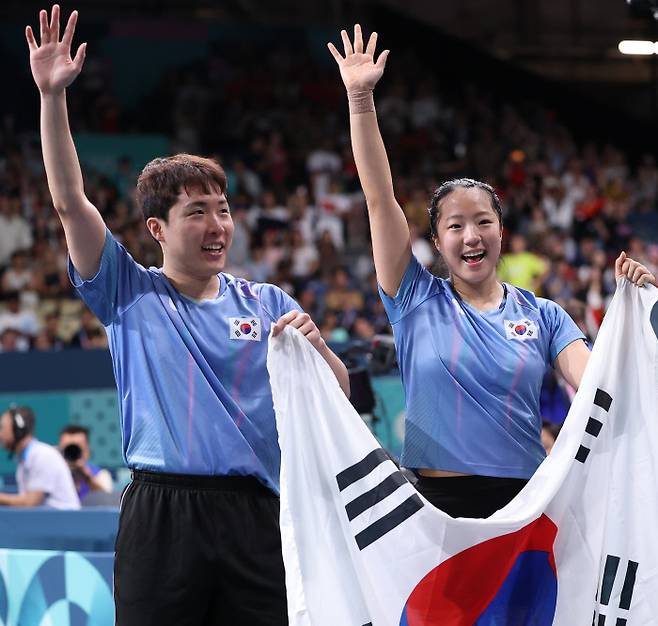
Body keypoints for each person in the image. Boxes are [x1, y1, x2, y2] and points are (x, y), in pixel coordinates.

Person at [26, 7, 349, 625]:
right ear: (158, 228)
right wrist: (52, 97)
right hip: (161, 514)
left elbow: (336, 393)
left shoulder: (270, 304)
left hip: (257, 512)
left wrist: (323, 350)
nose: (217, 226)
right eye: (197, 212)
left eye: (223, 210)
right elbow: (70, 203)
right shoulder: (127, 292)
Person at [328, 25, 656, 518]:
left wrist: (641, 315)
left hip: (524, 507)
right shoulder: (414, 297)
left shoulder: (545, 316)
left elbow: (599, 387)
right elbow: (379, 200)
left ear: (501, 232)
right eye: (455, 226)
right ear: (437, 241)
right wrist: (360, 100)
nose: (471, 236)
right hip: (436, 509)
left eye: (484, 222)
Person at [0, 405, 80, 509]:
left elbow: (30, 503)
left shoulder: (42, 456)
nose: (0, 434)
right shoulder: (25, 459)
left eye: (2, 427)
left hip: (67, 523)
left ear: (18, 430)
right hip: (49, 522)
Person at [59, 424, 113, 501]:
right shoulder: (52, 474)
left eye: (77, 449)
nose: (72, 454)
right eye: (68, 449)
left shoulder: (101, 475)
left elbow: (107, 501)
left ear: (87, 451)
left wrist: (87, 477)